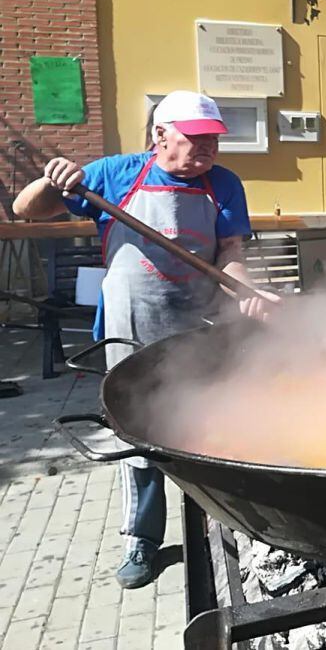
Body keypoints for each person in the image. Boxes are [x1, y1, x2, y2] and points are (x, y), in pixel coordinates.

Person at [12, 90, 278, 589]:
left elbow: (230, 252)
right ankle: (141, 537)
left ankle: (229, 521)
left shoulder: (223, 184)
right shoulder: (116, 173)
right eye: (194, 141)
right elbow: (29, 210)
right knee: (138, 435)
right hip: (133, 325)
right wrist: (52, 181)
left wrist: (244, 288)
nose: (207, 152)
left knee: (214, 422)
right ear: (160, 135)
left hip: (202, 326)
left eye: (213, 142)